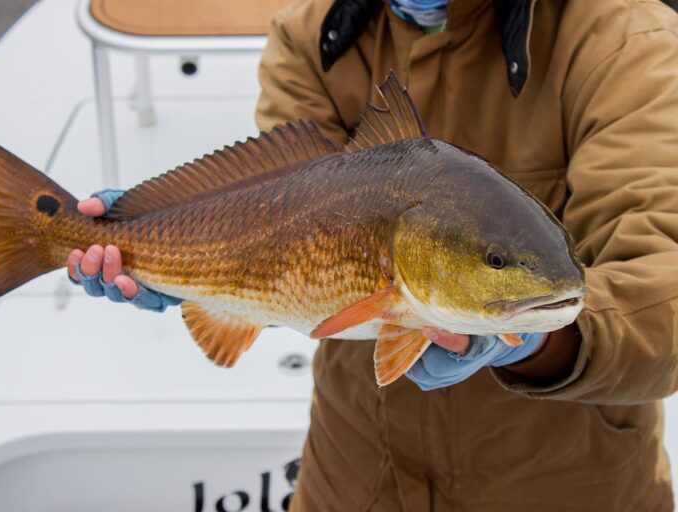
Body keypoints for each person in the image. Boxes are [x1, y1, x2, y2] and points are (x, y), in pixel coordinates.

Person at [66, 0, 678, 509]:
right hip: (355, 470)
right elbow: (268, 207)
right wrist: (162, 239)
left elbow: (665, 275)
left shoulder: (622, 38)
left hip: (567, 483)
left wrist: (547, 341)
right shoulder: (312, 34)